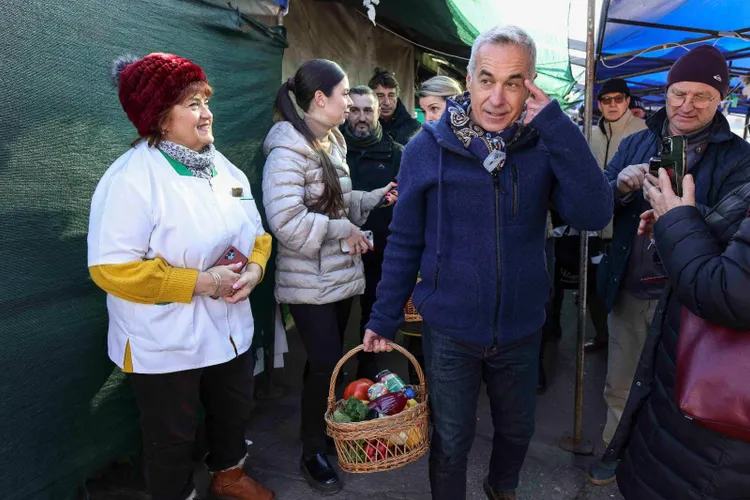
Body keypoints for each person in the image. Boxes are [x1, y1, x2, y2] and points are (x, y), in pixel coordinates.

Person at [362, 25, 614, 500]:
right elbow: (404, 239)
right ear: (469, 79)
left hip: (521, 329)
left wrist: (557, 126)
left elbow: (594, 213)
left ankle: (502, 490)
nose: (497, 98)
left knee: (517, 433)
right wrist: (384, 315)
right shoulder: (426, 149)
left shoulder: (543, 146)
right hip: (451, 330)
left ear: (531, 86)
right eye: (486, 79)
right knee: (452, 441)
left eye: (513, 82)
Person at [88, 53, 274, 500]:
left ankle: (228, 477)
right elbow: (111, 269)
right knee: (170, 436)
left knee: (233, 409)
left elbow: (258, 234)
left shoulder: (222, 167)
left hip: (227, 327)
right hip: (162, 339)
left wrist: (254, 268)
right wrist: (201, 283)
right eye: (192, 103)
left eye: (205, 100)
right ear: (159, 117)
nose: (206, 112)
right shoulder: (131, 179)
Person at [588, 44, 750, 486]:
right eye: (679, 93)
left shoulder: (739, 158)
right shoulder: (639, 139)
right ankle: (610, 452)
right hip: (632, 283)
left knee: (675, 392)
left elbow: (733, 232)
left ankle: (652, 466)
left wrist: (679, 211)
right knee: (620, 380)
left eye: (702, 96)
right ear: (666, 91)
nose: (686, 105)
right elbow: (597, 202)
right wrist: (619, 185)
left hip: (689, 301)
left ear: (721, 101)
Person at [262, 59, 396, 495]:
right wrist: (344, 231)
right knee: (322, 362)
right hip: (308, 280)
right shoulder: (286, 149)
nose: (349, 105)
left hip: (337, 276)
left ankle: (328, 432)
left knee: (331, 361)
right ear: (320, 99)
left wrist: (375, 197)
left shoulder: (331, 140)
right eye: (342, 96)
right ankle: (311, 450)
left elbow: (336, 203)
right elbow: (287, 222)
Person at [613, 170, 750, 499]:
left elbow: (728, 291)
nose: (685, 112)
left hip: (717, 431)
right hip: (697, 414)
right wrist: (685, 217)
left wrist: (677, 220)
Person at [581, 78, 648, 353]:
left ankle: (624, 349)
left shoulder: (643, 133)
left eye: (617, 98)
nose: (612, 104)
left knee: (623, 292)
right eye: (605, 100)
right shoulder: (590, 133)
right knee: (594, 287)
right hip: (595, 227)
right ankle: (603, 336)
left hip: (628, 228)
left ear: (628, 101)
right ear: (598, 104)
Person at [340, 85, 402, 380]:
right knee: (335, 322)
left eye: (368, 110)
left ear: (379, 113)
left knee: (372, 316)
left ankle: (366, 377)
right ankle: (328, 379)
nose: (361, 117)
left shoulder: (396, 154)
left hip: (380, 253)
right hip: (338, 251)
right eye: (354, 110)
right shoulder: (331, 150)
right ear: (345, 111)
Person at [369, 67, 421, 145]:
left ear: (397, 97)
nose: (387, 102)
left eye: (391, 95)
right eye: (380, 96)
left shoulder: (414, 129)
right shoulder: (363, 127)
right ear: (371, 97)